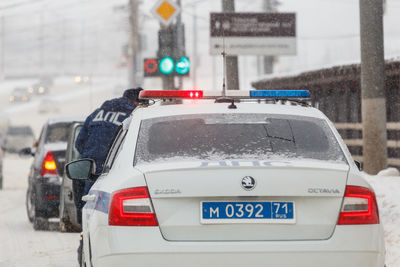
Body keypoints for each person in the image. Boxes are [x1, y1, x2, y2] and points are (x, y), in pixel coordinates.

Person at [73, 87, 143, 265]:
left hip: (92, 176)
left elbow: (79, 143)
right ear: (136, 102)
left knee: (90, 224)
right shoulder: (133, 116)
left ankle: (87, 257)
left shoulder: (98, 112)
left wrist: (94, 159)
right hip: (116, 176)